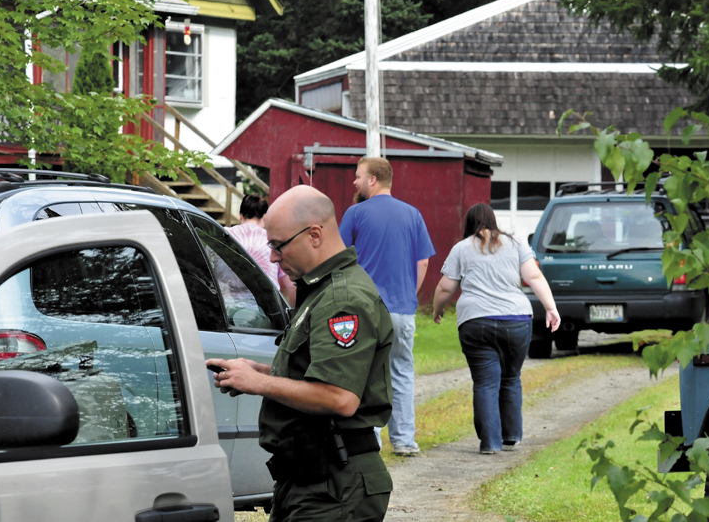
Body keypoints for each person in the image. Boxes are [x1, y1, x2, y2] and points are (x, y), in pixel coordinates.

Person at [208, 185, 394, 521]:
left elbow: (340, 397)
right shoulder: (320, 291)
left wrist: (260, 384)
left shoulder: (343, 299)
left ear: (315, 235)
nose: (274, 257)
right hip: (310, 479)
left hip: (335, 485)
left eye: (278, 246)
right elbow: (313, 374)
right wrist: (257, 373)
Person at [432, 203, 560, 454]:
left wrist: (437, 309)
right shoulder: (515, 244)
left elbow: (446, 287)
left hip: (476, 321)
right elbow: (534, 277)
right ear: (493, 221)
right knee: (511, 377)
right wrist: (551, 308)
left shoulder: (461, 248)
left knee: (485, 383)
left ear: (469, 224)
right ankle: (511, 436)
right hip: (516, 319)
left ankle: (490, 443)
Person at [339, 156, 435, 457]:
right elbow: (423, 261)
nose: (354, 182)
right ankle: (405, 440)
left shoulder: (355, 214)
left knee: (366, 374)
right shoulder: (413, 214)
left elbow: (339, 258)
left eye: (358, 176)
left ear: (372, 180)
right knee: (402, 372)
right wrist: (408, 294)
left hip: (367, 309)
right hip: (403, 309)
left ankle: (372, 442)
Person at [227, 194, 296, 306]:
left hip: (228, 309)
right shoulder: (274, 241)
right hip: (266, 312)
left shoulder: (224, 236)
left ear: (240, 216)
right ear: (265, 218)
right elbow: (291, 287)